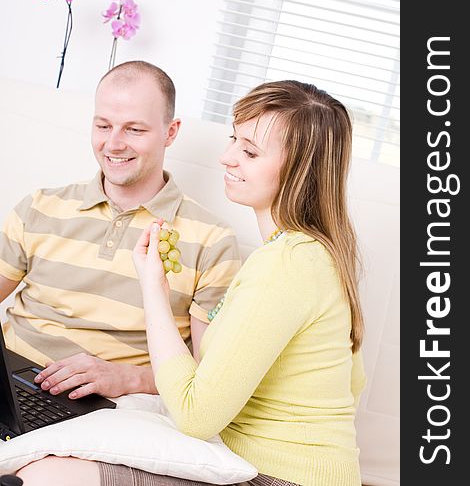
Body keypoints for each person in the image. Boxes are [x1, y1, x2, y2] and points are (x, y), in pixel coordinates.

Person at [16, 80, 367, 486]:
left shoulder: (288, 263)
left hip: (278, 476)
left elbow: (195, 415)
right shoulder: (310, 253)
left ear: (300, 170)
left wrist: (153, 289)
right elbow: (350, 387)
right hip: (253, 463)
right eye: (234, 140)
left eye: (249, 152)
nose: (227, 158)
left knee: (48, 476)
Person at [0, 60, 240, 399]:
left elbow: (207, 377)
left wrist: (128, 379)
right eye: (103, 126)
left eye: (134, 130)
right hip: (12, 384)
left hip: (112, 403)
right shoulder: (40, 207)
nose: (113, 144)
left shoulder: (211, 240)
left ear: (171, 132)